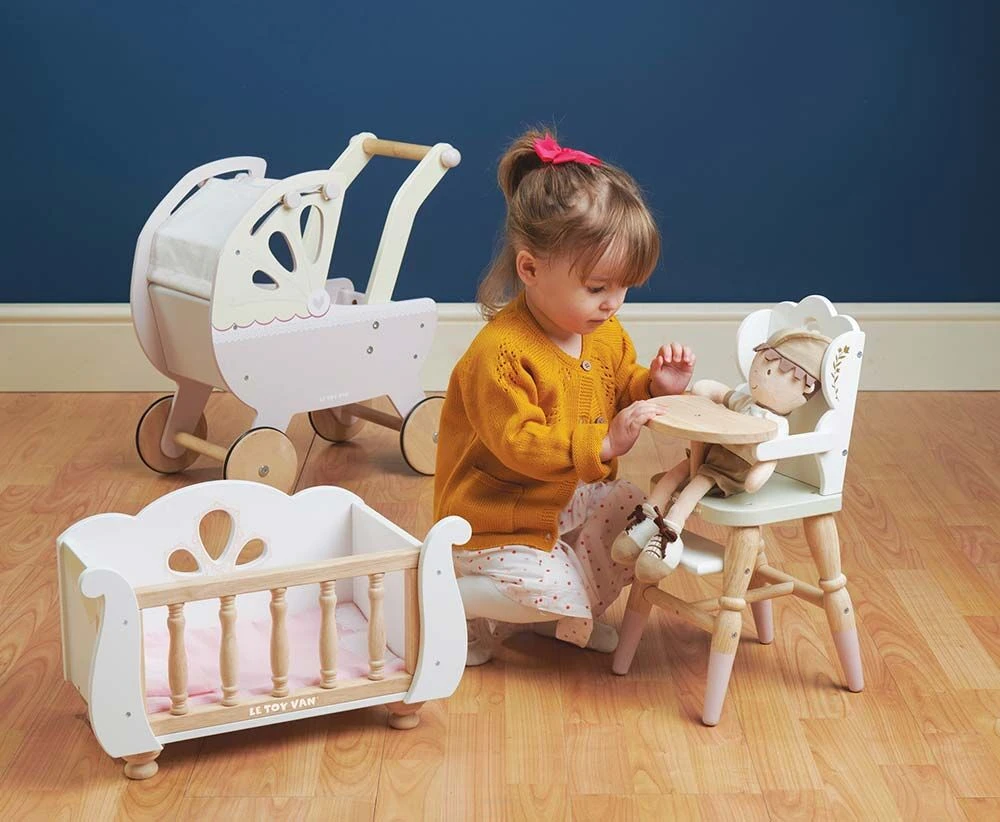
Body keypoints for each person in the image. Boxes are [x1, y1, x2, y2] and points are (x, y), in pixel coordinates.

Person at [433, 129, 695, 665]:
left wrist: (653, 387)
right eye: (597, 288)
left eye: (623, 288)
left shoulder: (603, 332)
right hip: (496, 519)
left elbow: (618, 383)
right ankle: (446, 599)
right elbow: (520, 444)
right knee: (563, 584)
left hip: (558, 500)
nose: (613, 304)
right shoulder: (502, 354)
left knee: (635, 514)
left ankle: (562, 616)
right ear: (530, 269)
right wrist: (603, 443)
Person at [612, 327, 831, 583]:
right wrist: (707, 391)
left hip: (731, 472)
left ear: (802, 392)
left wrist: (757, 476)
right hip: (710, 455)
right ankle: (648, 518)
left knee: (696, 484)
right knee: (673, 475)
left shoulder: (777, 423)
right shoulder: (746, 403)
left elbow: (772, 454)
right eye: (762, 368)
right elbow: (722, 394)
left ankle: (670, 532)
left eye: (770, 373)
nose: (759, 379)